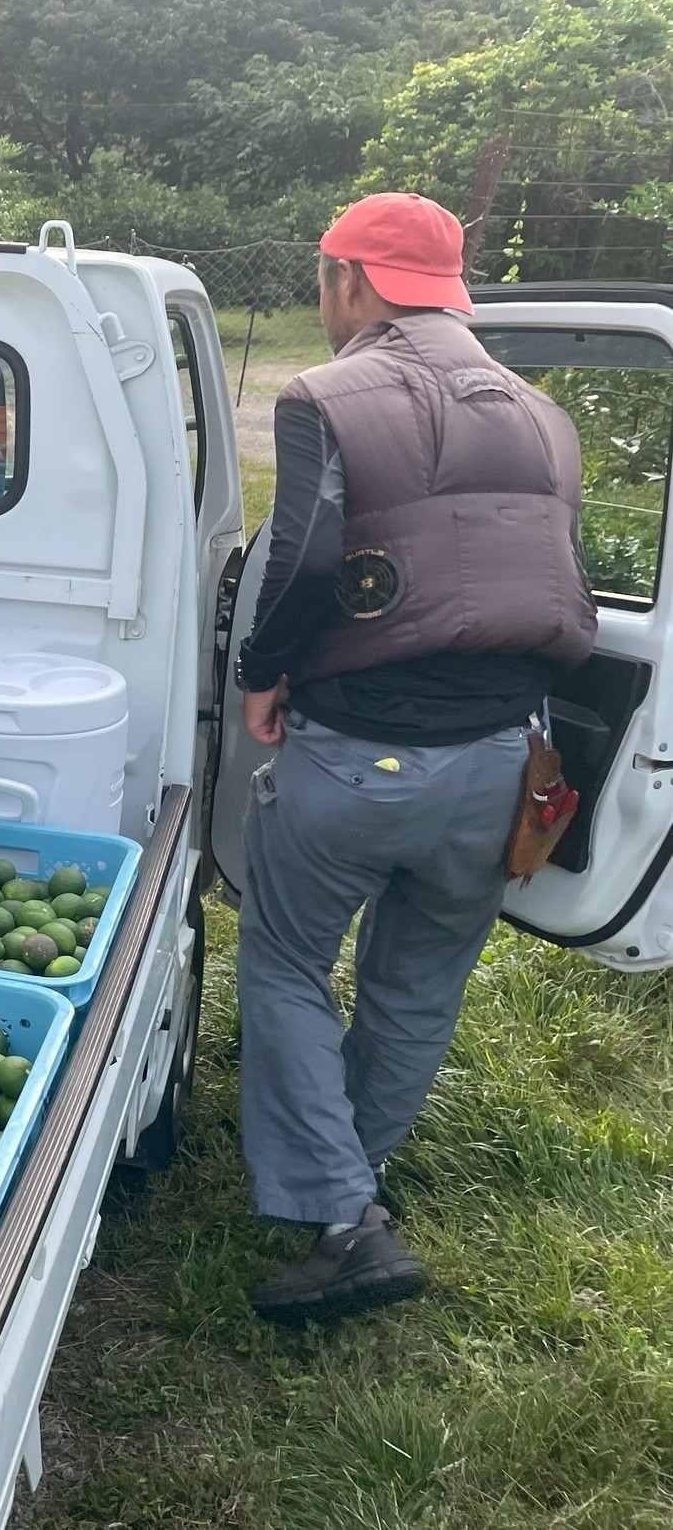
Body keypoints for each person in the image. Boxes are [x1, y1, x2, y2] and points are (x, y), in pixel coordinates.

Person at [231, 191, 596, 1324]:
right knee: (418, 986)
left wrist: (261, 679)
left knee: (288, 962)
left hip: (356, 758)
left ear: (351, 278)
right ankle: (356, 1175)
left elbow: (301, 564)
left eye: (325, 275)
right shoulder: (545, 417)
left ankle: (343, 1218)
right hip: (501, 762)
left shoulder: (325, 396)